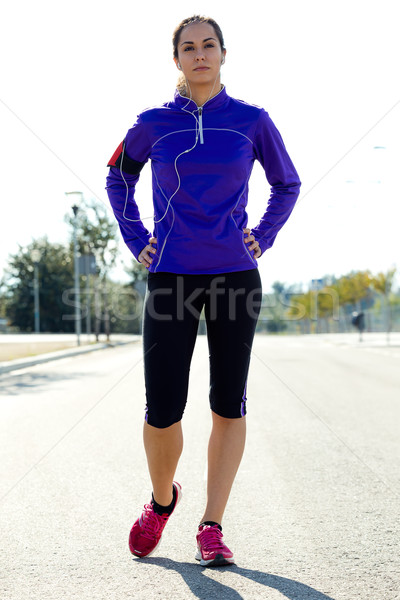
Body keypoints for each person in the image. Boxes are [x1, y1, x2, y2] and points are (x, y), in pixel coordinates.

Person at [106, 15, 301, 567]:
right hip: (169, 275)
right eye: (188, 48)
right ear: (176, 60)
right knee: (162, 410)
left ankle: (212, 524)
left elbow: (287, 183)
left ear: (222, 54)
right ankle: (162, 502)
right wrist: (137, 238)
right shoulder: (152, 123)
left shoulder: (251, 121)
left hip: (234, 275)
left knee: (227, 404)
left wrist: (261, 236)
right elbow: (117, 175)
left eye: (208, 46)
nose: (199, 56)